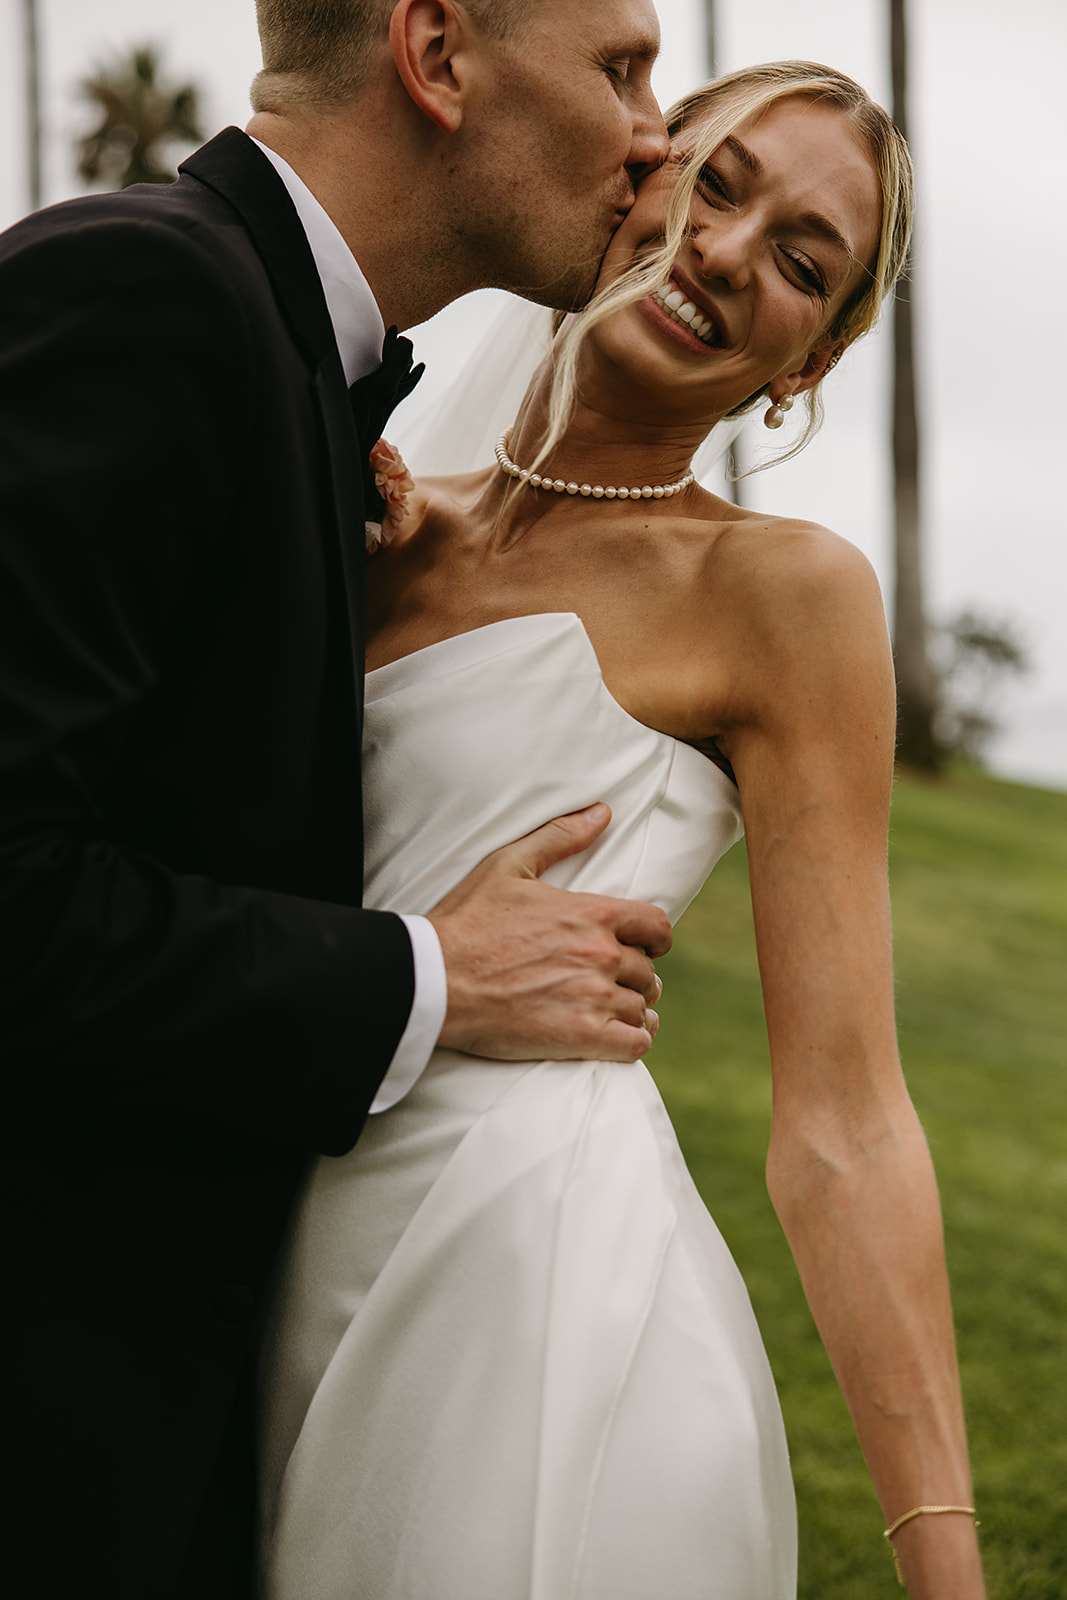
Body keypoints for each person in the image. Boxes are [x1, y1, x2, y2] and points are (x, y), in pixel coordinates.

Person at [258, 64, 987, 1600]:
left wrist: (944, 1561)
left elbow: (847, 1124)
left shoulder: (782, 600)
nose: (730, 254)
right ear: (633, 176)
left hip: (530, 1300)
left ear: (810, 361)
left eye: (804, 261)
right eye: (717, 184)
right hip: (250, 1251)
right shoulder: (363, 512)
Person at [0, 3, 676, 1594]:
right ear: (437, 56)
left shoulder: (291, 367)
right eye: (621, 67)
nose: (659, 134)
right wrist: (441, 976)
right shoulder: (143, 295)